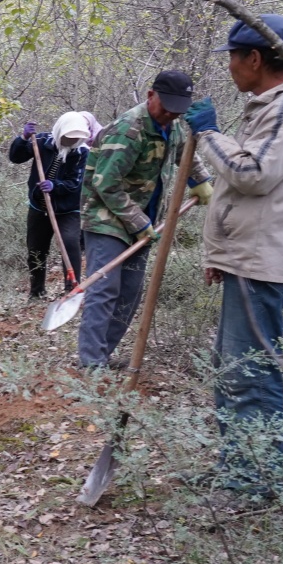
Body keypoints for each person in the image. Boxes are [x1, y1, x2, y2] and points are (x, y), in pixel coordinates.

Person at [189, 14, 283, 497]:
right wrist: (221, 252)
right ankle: (237, 469)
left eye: (232, 56)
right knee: (232, 369)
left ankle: (253, 482)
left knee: (249, 372)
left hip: (263, 262)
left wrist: (209, 134)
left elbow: (253, 175)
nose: (229, 66)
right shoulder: (272, 105)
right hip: (248, 257)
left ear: (255, 58)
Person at [77, 69, 213, 369]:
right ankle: (90, 363)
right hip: (107, 219)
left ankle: (103, 354)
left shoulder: (174, 125)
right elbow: (105, 183)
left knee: (130, 293)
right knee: (105, 289)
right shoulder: (129, 129)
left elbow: (184, 155)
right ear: (151, 95)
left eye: (177, 110)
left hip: (146, 221)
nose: (170, 115)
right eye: (165, 107)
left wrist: (201, 181)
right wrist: (138, 222)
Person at [8, 111, 99, 299]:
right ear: (60, 132)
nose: (72, 140)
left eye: (76, 137)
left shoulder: (82, 152)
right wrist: (23, 138)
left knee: (70, 244)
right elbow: (16, 158)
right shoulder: (40, 141)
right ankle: (37, 291)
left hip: (68, 210)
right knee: (36, 249)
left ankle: (71, 289)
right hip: (39, 208)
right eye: (68, 136)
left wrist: (55, 186)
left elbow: (76, 183)